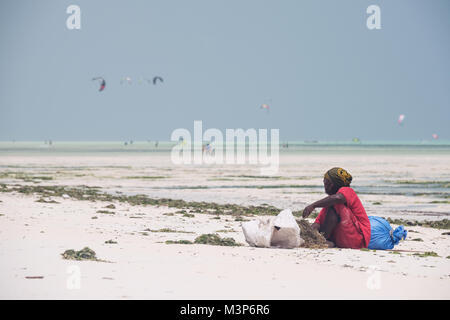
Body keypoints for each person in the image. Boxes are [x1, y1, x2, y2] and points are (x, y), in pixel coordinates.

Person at [302, 167, 371, 249]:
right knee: (330, 206)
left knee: (335, 205)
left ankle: (323, 239)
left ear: (331, 184)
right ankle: (326, 241)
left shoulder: (347, 191)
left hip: (358, 239)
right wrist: (307, 233)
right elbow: (318, 223)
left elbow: (338, 198)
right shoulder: (330, 203)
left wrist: (313, 205)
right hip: (344, 240)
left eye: (325, 182)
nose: (324, 185)